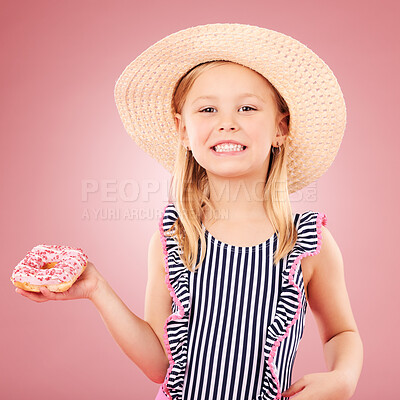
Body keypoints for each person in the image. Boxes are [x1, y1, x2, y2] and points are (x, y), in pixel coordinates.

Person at [16, 23, 363, 400]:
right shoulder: (173, 239)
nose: (226, 122)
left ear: (280, 128)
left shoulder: (308, 242)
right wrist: (97, 288)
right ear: (183, 130)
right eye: (208, 109)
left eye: (247, 108)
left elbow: (341, 333)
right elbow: (159, 365)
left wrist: (343, 377)